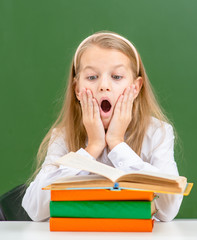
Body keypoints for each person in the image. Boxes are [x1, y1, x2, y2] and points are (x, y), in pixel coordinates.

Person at [22, 31, 183, 222]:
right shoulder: (63, 137)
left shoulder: (158, 132)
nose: (104, 86)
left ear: (136, 87)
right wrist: (93, 148)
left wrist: (117, 143)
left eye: (116, 76)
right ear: (77, 89)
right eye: (91, 77)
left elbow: (168, 210)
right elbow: (34, 209)